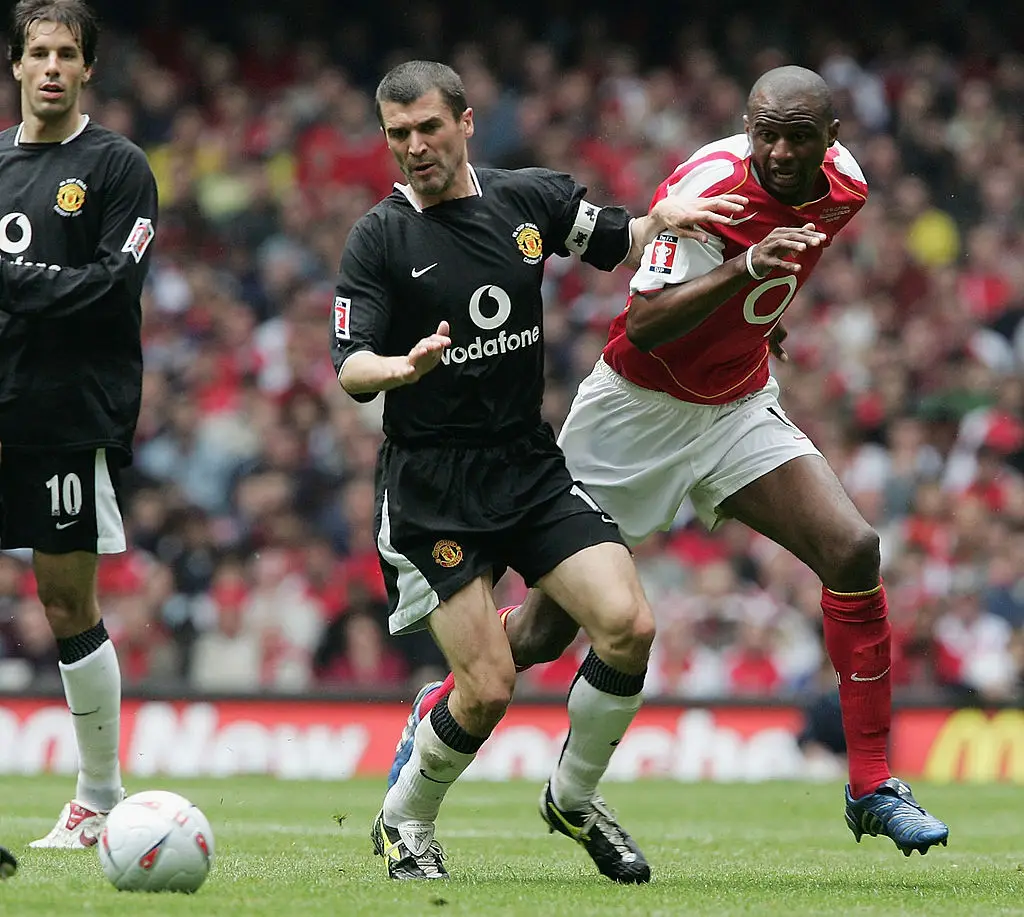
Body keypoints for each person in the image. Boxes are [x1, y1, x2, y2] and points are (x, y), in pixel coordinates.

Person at [390, 65, 950, 858]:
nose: (779, 152)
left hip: (734, 406)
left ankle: (872, 783)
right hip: (633, 414)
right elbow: (647, 322)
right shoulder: (710, 188)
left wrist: (760, 320)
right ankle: (440, 705)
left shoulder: (847, 187)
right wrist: (746, 273)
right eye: (766, 134)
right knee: (547, 631)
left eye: (798, 137)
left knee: (854, 548)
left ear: (832, 139)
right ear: (748, 130)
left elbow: (777, 271)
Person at [331, 59, 747, 882]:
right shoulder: (378, 237)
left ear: (465, 123)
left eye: (429, 127)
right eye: (398, 134)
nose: (415, 147)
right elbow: (349, 365)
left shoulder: (527, 198)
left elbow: (615, 238)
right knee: (487, 688)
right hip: (433, 487)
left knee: (629, 625)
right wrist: (400, 368)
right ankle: (405, 820)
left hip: (527, 464)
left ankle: (574, 798)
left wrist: (660, 219)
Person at [1, 0, 158, 847]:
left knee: (65, 599)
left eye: (67, 53)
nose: (53, 67)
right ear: (16, 65)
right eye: (39, 53)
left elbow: (111, 285)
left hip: (63, 413)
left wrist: (11, 281)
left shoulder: (118, 167)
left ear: (88, 67)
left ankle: (99, 796)